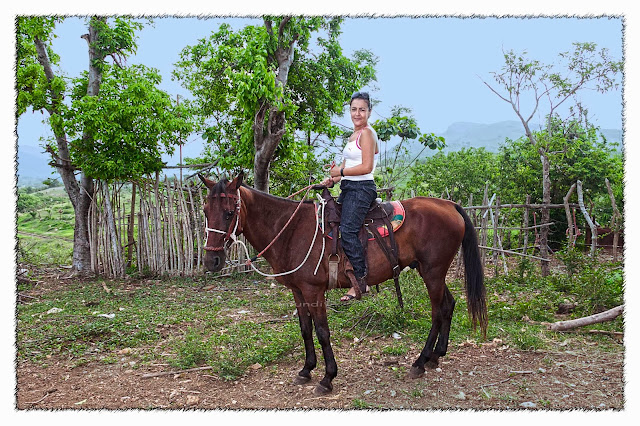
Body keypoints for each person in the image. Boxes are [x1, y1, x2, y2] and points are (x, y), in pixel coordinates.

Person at [322, 92, 380, 301]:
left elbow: (366, 166)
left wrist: (341, 173)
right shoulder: (353, 136)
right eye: (354, 109)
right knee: (334, 227)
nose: (357, 113)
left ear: (369, 112)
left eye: (362, 109)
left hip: (362, 188)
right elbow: (347, 166)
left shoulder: (367, 134)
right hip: (348, 187)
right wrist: (333, 179)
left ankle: (361, 282)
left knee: (347, 231)